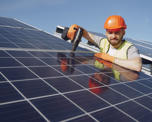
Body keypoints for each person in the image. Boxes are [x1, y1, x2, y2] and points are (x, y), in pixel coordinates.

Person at [67, 15, 142, 72]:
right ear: (106, 33)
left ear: (123, 33)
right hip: (105, 73)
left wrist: (111, 58)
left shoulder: (129, 48)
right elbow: (86, 34)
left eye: (117, 32)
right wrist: (76, 27)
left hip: (120, 85)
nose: (113, 36)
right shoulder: (103, 42)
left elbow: (137, 66)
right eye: (110, 32)